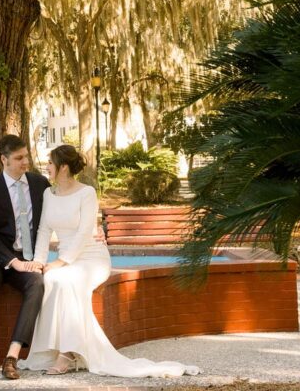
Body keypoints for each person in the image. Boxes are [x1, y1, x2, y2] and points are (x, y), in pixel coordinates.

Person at [18, 144, 201, 378]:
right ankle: (55, 348)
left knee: (64, 281)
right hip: (69, 258)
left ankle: (68, 353)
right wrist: (40, 261)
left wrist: (61, 262)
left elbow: (85, 233)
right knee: (51, 278)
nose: (47, 167)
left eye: (51, 163)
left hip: (91, 257)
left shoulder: (86, 193)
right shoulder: (48, 194)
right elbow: (43, 231)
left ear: (63, 167)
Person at [0, 134, 48, 381]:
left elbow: (56, 217)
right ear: (4, 160)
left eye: (26, 156)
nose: (25, 162)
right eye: (19, 158)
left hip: (25, 257)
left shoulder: (40, 184)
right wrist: (12, 261)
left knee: (37, 284)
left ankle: (12, 356)